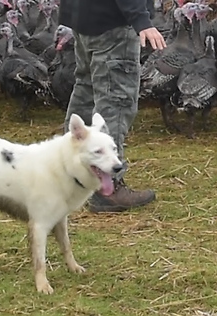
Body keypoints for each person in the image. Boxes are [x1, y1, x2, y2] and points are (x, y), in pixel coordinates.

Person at [58, 0, 167, 213]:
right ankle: (108, 188)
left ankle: (71, 173)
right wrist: (141, 19)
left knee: (86, 91)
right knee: (115, 101)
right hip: (113, 26)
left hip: (83, 19)